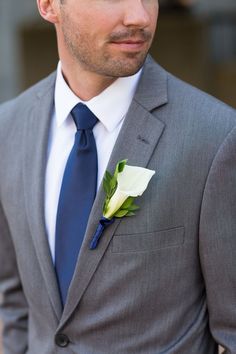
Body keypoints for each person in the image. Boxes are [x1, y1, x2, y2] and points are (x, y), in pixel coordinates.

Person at [0, 0, 236, 353]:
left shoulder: (215, 135)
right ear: (49, 5)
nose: (140, 16)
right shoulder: (8, 129)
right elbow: (16, 303)